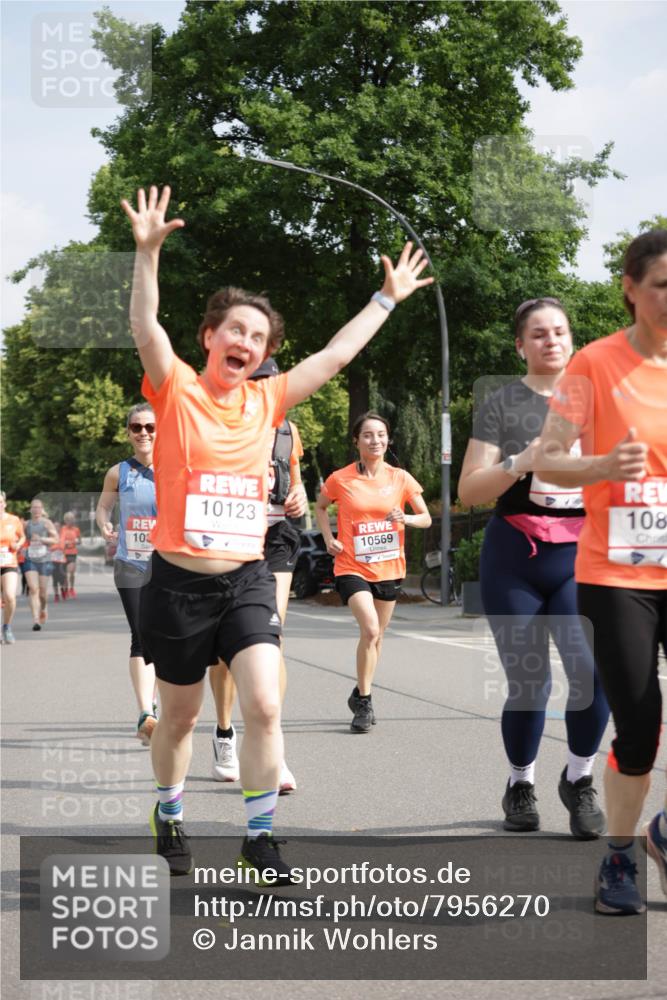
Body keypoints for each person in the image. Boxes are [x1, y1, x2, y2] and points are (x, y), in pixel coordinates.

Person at [120, 184, 432, 879]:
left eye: (258, 338)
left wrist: (386, 299)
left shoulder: (268, 399)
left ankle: (258, 840)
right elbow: (145, 327)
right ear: (210, 337)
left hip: (246, 578)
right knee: (180, 719)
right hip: (177, 585)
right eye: (235, 330)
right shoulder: (176, 388)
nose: (246, 343)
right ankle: (168, 810)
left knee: (263, 703)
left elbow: (336, 355)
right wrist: (147, 253)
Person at [539, 229, 667, 914]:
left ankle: (663, 832)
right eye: (663, 285)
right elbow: (548, 459)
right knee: (639, 724)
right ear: (630, 287)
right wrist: (601, 466)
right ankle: (619, 855)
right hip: (618, 575)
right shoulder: (594, 363)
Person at [458, 298, 609, 839]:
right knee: (530, 682)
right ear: (520, 345)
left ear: (572, 340)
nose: (551, 341)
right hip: (514, 559)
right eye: (539, 334)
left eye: (560, 331)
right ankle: (520, 783)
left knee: (593, 672)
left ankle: (579, 778)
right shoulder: (502, 404)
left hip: (580, 556)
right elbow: (469, 490)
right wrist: (518, 462)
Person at [209, 357, 307, 793]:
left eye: (272, 383)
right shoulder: (218, 426)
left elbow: (295, 479)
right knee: (222, 652)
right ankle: (224, 731)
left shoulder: (287, 430)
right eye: (258, 383)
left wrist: (298, 494)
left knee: (271, 636)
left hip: (276, 536)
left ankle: (271, 747)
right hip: (229, 539)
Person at [315, 412, 432, 732]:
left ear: (388, 439)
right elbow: (321, 506)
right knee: (369, 629)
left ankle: (359, 690)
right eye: (367, 435)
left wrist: (406, 518)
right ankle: (365, 703)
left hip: (389, 566)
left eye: (380, 434)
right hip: (351, 565)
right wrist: (328, 538)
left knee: (377, 635)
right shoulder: (340, 478)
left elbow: (425, 518)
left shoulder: (400, 478)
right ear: (357, 441)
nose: (375, 440)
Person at [96, 404, 159, 746]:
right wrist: (104, 524)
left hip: (168, 564)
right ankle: (145, 712)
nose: (143, 432)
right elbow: (104, 506)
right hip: (130, 562)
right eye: (137, 427)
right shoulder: (117, 472)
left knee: (165, 636)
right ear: (128, 432)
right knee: (141, 634)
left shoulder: (176, 467)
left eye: (150, 426)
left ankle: (156, 701)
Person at [23, 499, 58, 631]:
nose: (36, 510)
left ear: (42, 509)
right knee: (33, 589)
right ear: (30, 509)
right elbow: (21, 538)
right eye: (34, 507)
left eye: (38, 507)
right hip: (30, 559)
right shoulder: (26, 524)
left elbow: (55, 539)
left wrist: (41, 539)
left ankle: (43, 608)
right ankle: (36, 620)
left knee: (42, 593)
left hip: (44, 560)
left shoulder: (47, 523)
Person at [0, 491, 26, 643]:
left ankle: (7, 626)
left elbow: (22, 536)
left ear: (4, 503)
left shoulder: (14, 520)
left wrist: (18, 544)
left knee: (9, 596)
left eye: (0, 502)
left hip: (9, 562)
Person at [60, 511, 81, 598]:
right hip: (63, 554)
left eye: (72, 519)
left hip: (72, 553)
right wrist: (64, 542)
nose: (70, 521)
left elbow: (80, 541)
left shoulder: (76, 530)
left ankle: (71, 588)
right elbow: (59, 540)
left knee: (71, 573)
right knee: (64, 574)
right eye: (68, 519)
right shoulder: (62, 529)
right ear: (65, 520)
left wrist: (77, 541)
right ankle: (65, 588)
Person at [50, 523, 68, 603]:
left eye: (57, 526)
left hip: (62, 560)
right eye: (54, 526)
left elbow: (63, 546)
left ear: (60, 527)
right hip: (53, 560)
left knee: (62, 577)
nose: (56, 528)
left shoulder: (63, 535)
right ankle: (56, 595)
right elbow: (49, 547)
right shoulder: (50, 536)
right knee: (54, 578)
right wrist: (56, 547)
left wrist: (59, 546)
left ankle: (63, 589)